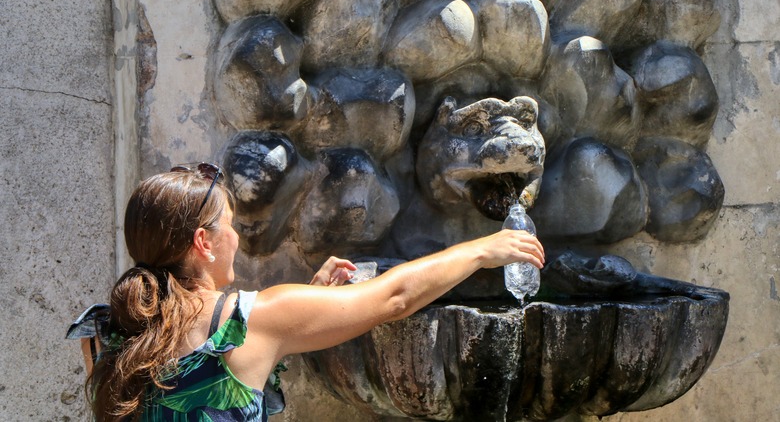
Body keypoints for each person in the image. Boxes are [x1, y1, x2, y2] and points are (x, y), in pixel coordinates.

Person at [67, 163, 544, 421]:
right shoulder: (249, 321)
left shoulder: (105, 330)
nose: (236, 238)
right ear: (203, 243)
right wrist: (484, 249)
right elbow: (394, 297)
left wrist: (308, 300)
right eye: (229, 227)